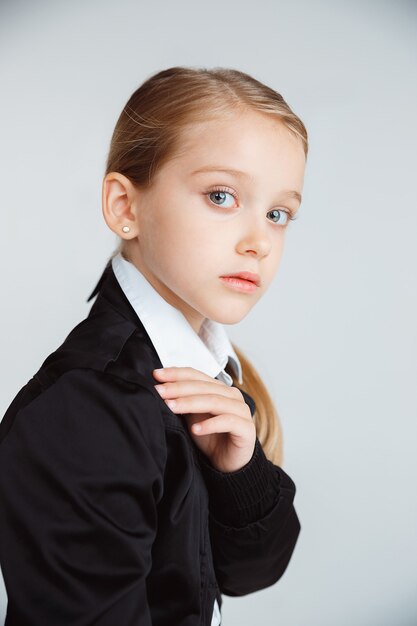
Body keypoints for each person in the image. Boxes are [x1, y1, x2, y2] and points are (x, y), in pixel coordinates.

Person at [0, 65, 307, 625]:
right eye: (221, 195)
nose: (259, 241)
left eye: (278, 213)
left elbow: (248, 575)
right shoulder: (90, 410)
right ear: (125, 206)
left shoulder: (213, 380)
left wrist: (240, 476)